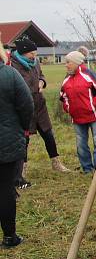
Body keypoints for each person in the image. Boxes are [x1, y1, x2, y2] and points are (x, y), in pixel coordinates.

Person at [9, 37, 70, 190]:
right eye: (31, 53)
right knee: (24, 140)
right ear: (23, 53)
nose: (34, 56)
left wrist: (42, 82)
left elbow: (41, 75)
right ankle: (22, 169)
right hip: (23, 107)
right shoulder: (12, 65)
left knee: (48, 134)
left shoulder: (35, 63)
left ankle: (56, 163)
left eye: (35, 53)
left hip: (39, 105)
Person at [0, 60, 34, 248]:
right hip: (6, 142)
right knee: (4, 189)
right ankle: (9, 236)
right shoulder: (10, 75)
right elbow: (27, 105)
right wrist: (20, 127)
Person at [59, 51, 96, 174]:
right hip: (77, 119)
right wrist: (68, 108)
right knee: (81, 145)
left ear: (76, 63)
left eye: (68, 62)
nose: (66, 65)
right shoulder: (67, 79)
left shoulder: (89, 75)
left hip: (95, 117)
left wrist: (93, 104)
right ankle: (87, 169)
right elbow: (63, 96)